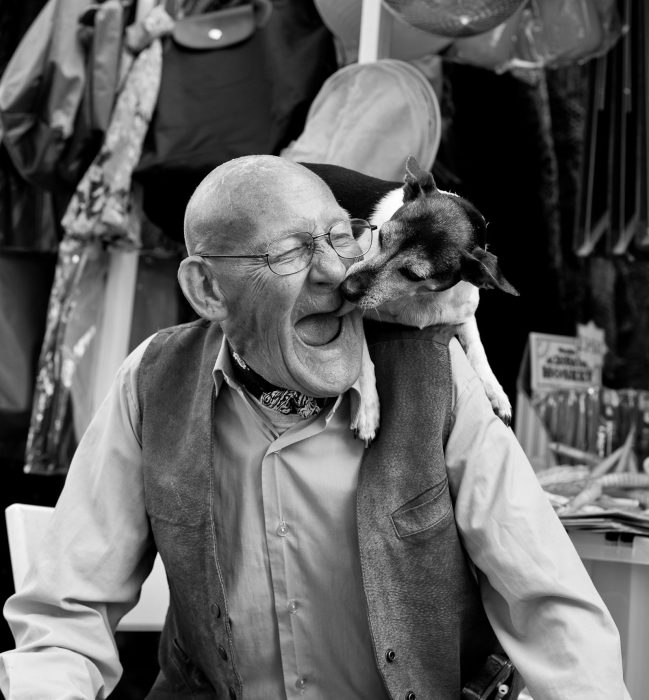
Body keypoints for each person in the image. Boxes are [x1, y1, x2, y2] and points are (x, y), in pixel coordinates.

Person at [0, 156, 630, 700]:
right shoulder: (155, 382)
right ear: (207, 289)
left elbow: (550, 604)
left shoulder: (436, 376)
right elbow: (66, 612)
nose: (339, 274)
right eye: (292, 251)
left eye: (342, 235)